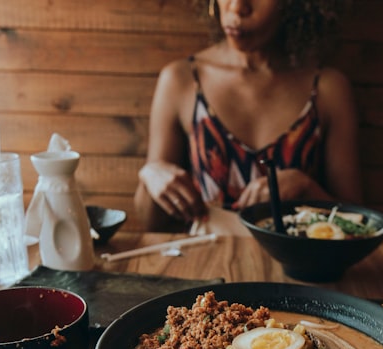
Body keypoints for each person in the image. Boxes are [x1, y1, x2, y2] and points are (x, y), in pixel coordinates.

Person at [134, 0, 362, 232]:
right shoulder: (182, 80)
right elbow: (150, 221)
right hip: (204, 261)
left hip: (296, 266)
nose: (236, 8)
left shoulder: (326, 89)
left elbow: (359, 222)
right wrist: (151, 174)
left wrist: (306, 188)